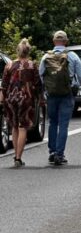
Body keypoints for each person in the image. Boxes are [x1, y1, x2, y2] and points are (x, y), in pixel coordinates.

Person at [39, 30, 81, 165]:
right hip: (67, 93)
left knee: (53, 122)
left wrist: (47, 89)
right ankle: (60, 154)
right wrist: (76, 85)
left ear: (54, 41)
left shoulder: (45, 57)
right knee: (63, 124)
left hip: (52, 94)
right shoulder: (72, 56)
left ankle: (52, 152)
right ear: (66, 42)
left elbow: (40, 75)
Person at [0, 39, 43, 167]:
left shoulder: (9, 65)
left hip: (11, 99)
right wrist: (40, 98)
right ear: (28, 51)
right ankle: (18, 158)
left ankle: (15, 157)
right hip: (26, 99)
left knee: (14, 126)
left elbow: (4, 85)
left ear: (17, 51)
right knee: (22, 127)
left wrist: (2, 100)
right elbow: (38, 84)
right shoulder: (32, 65)